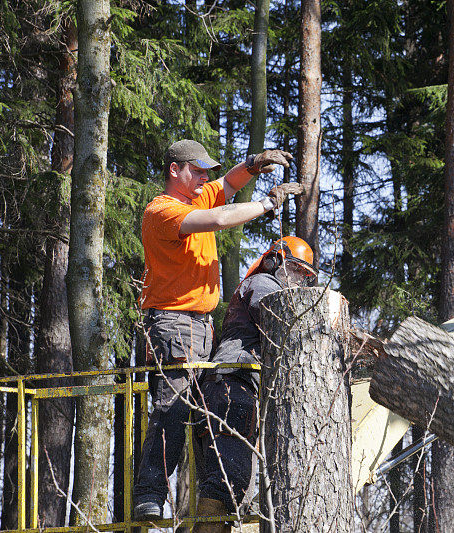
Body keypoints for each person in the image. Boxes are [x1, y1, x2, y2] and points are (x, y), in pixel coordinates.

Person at [133, 139, 303, 520]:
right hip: (174, 326)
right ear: (174, 170)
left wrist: (253, 165)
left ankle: (204, 503)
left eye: (205, 171)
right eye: (196, 170)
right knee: (171, 412)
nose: (203, 178)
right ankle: (149, 496)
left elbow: (226, 185)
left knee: (200, 414)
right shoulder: (162, 211)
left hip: (199, 328)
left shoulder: (196, 196)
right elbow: (221, 216)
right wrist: (267, 204)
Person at [194, 237, 317, 532]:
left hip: (237, 389)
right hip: (231, 386)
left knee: (232, 493)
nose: (300, 281)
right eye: (296, 271)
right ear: (274, 261)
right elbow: (282, 319)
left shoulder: (266, 285)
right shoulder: (264, 284)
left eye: (306, 276)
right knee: (228, 479)